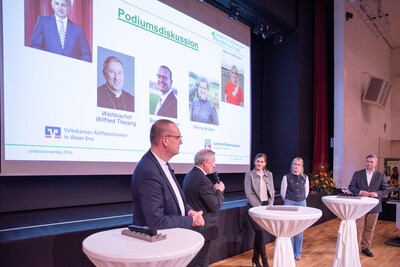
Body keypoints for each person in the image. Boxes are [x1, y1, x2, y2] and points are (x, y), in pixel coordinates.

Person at [131, 119, 204, 229]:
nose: (181, 142)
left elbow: (174, 200)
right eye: (177, 137)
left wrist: (189, 211)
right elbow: (157, 222)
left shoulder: (162, 165)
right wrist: (190, 221)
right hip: (158, 242)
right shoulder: (149, 172)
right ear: (165, 140)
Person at [183, 149, 225, 267]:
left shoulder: (190, 175)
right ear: (205, 162)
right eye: (213, 162)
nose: (214, 165)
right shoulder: (203, 180)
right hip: (203, 229)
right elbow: (215, 206)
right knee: (201, 262)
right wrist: (219, 191)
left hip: (195, 228)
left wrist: (213, 191)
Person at [349, 154, 388, 257]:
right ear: (365, 162)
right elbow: (351, 187)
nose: (369, 163)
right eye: (367, 161)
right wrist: (361, 191)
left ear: (375, 163)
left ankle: (365, 248)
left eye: (371, 162)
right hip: (360, 207)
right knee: (358, 228)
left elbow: (385, 190)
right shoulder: (357, 174)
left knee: (370, 229)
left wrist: (376, 194)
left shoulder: (381, 176)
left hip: (374, 207)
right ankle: (355, 249)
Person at [244, 153, 275, 267]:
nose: (259, 163)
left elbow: (272, 192)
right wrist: (259, 208)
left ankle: (255, 259)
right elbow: (248, 193)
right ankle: (265, 262)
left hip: (266, 207)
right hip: (253, 208)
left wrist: (270, 206)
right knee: (260, 232)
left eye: (262, 162)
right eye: (258, 161)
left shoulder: (269, 174)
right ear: (254, 161)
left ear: (265, 163)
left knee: (259, 234)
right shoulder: (249, 175)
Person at [280, 157, 309, 261]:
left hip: (301, 203)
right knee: (289, 228)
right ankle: (290, 252)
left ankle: (298, 253)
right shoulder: (286, 177)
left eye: (299, 165)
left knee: (299, 230)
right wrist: (288, 201)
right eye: (295, 164)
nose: (296, 166)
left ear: (301, 167)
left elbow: (306, 192)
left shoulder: (305, 178)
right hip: (289, 202)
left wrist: (301, 200)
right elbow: (283, 193)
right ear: (292, 165)